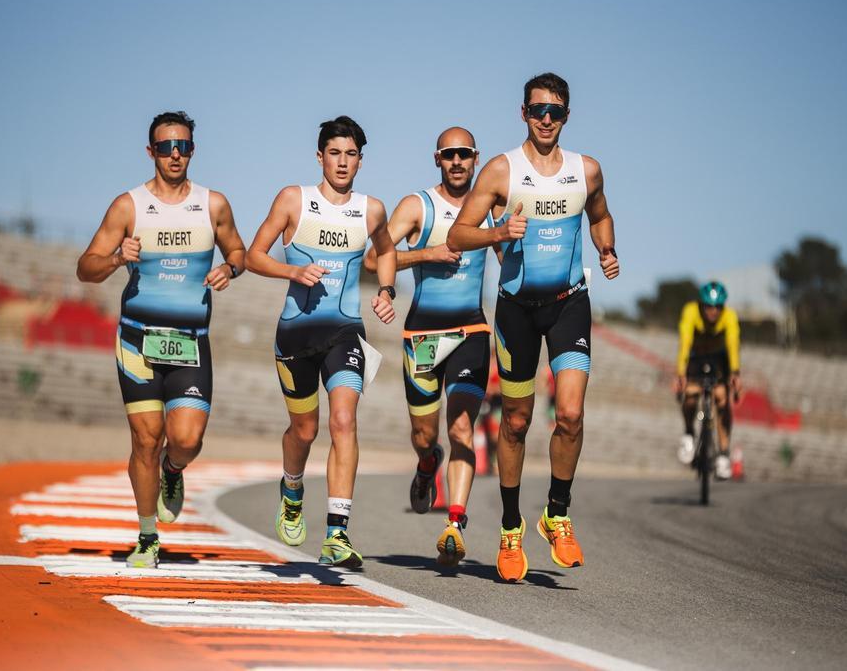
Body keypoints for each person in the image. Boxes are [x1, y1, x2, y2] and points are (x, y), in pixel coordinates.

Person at [448, 72, 621, 582]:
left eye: (556, 111)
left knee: (569, 414)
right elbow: (459, 233)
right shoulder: (502, 171)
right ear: (523, 112)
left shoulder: (586, 170)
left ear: (567, 115)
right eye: (538, 109)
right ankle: (509, 527)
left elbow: (601, 216)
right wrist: (498, 231)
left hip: (570, 304)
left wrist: (607, 248)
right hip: (516, 310)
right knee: (517, 422)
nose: (546, 119)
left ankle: (558, 513)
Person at [76, 111, 247, 569]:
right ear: (151, 151)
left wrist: (229, 267)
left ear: (193, 150)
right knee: (146, 440)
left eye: (184, 146)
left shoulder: (213, 204)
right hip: (137, 342)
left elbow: (238, 249)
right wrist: (115, 258)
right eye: (167, 146)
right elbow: (85, 267)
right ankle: (148, 536)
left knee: (185, 441)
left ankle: (174, 471)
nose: (176, 154)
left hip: (191, 340)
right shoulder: (128, 206)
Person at [246, 116, 397, 568]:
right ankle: (292, 488)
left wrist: (386, 290)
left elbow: (385, 250)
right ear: (320, 156)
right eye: (335, 153)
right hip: (295, 332)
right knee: (305, 431)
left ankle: (337, 531)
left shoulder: (371, 209)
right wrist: (292, 271)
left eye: (351, 154)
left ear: (361, 160)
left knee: (344, 420)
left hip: (345, 330)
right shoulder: (294, 200)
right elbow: (254, 256)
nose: (343, 162)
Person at [365, 126, 495, 566]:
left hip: (471, 333)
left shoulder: (490, 208)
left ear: (477, 159)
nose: (457, 162)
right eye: (448, 155)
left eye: (465, 154)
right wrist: (428, 254)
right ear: (437, 160)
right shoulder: (418, 206)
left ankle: (455, 523)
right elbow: (372, 257)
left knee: (461, 428)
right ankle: (427, 464)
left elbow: (511, 259)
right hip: (421, 336)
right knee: (426, 436)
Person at [673, 282, 742, 479]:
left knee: (721, 398)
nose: (713, 312)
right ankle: (688, 434)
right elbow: (685, 341)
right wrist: (680, 373)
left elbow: (733, 344)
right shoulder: (690, 311)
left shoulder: (729, 317)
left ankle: (723, 454)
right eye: (709, 306)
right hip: (695, 356)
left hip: (719, 358)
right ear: (701, 305)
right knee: (690, 395)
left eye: (718, 307)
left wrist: (735, 373)